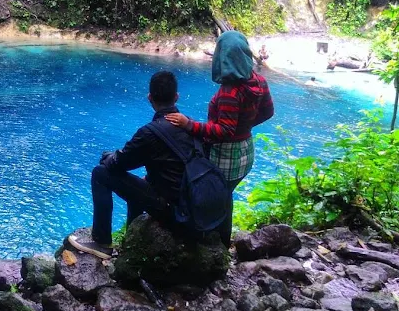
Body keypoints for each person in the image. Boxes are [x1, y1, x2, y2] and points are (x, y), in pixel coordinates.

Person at [68, 71, 196, 259]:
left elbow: (119, 163)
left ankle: (101, 241)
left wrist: (106, 157)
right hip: (192, 206)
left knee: (100, 174)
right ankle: (131, 240)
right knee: (140, 183)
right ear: (176, 97)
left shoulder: (149, 133)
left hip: (173, 211)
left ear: (149, 98)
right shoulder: (190, 126)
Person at [165, 31, 274, 246]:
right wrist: (245, 126)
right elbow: (268, 111)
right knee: (225, 194)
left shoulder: (230, 92)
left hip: (227, 155)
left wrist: (189, 124)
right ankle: (222, 242)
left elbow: (224, 131)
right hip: (246, 151)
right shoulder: (259, 81)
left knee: (216, 197)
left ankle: (216, 244)